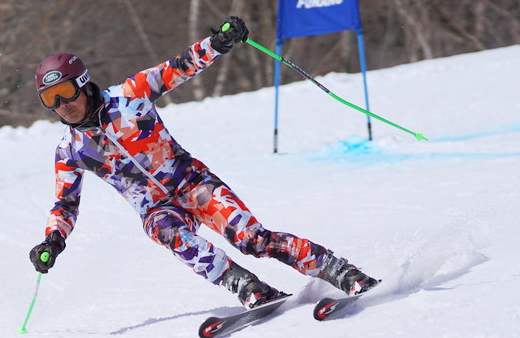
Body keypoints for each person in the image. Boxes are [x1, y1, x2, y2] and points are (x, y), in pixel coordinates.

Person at [29, 16, 379, 309]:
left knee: (252, 239)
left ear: (84, 84)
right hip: (157, 209)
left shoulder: (129, 96)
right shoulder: (71, 150)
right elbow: (65, 204)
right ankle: (248, 288)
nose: (61, 104)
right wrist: (52, 241)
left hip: (193, 184)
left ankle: (341, 272)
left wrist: (218, 42)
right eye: (50, 99)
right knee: (168, 232)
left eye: (65, 92)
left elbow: (177, 68)